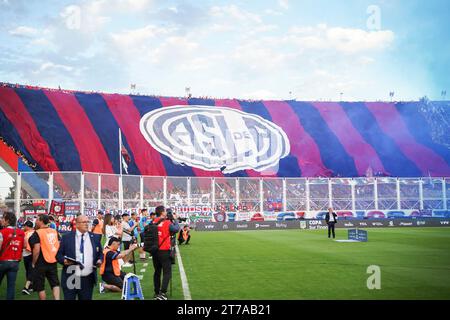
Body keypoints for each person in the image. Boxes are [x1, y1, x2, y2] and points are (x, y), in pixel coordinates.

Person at [56, 215, 103, 300]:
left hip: (87, 277)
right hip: (71, 275)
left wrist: (100, 260)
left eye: (87, 222)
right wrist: (64, 260)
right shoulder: (66, 237)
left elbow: (100, 253)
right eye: (84, 222)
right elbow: (58, 255)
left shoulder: (95, 237)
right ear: (77, 224)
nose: (86, 224)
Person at [29, 214, 61, 300]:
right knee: (55, 284)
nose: (35, 221)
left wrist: (33, 262)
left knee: (40, 286)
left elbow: (36, 249)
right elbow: (58, 243)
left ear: (41, 221)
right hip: (53, 260)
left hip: (41, 262)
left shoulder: (38, 233)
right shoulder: (54, 231)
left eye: (37, 219)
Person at [151, 205, 180, 300]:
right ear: (163, 212)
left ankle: (156, 292)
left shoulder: (153, 221)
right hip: (164, 250)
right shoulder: (167, 222)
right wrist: (175, 220)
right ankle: (162, 293)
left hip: (155, 250)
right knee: (167, 272)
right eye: (165, 211)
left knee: (157, 272)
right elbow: (176, 229)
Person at [0, 211, 25, 300]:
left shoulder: (2, 232)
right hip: (15, 262)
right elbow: (24, 245)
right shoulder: (21, 232)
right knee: (11, 286)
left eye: (3, 218)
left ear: (7, 221)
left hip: (3, 261)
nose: (1, 220)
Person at [21, 220, 35, 295]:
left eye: (25, 226)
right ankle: (31, 286)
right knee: (30, 270)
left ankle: (27, 287)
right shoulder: (34, 232)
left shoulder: (26, 234)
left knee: (29, 270)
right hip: (31, 253)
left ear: (27, 226)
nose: (24, 227)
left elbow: (25, 245)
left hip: (27, 254)